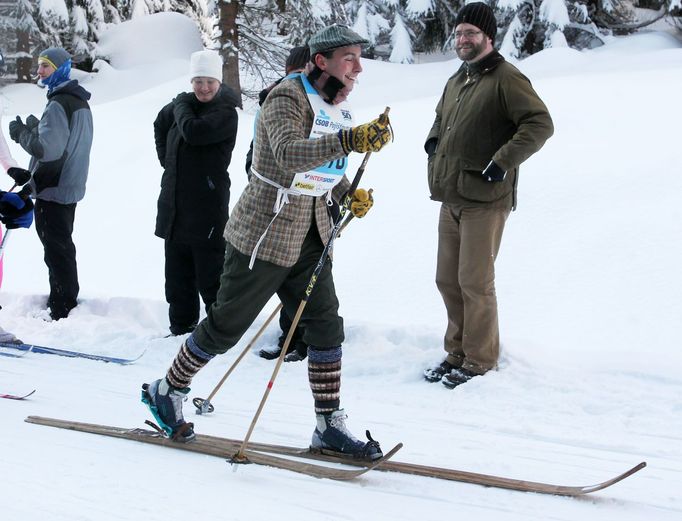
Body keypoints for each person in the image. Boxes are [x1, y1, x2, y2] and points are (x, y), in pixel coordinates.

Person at [142, 25, 392, 460]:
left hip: (312, 230)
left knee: (326, 324)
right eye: (349, 57)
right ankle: (167, 389)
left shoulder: (334, 104)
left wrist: (347, 194)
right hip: (266, 231)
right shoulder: (286, 97)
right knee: (225, 327)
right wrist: (352, 139)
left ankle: (328, 423)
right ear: (321, 61)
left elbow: (323, 167)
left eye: (359, 58)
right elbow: (289, 154)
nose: (358, 67)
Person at [422, 2, 554, 389]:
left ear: (488, 37)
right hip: (451, 194)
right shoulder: (458, 79)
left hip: (485, 199)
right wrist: (433, 140)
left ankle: (480, 360)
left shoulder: (506, 78)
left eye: (471, 34)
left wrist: (503, 161)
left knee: (475, 282)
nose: (463, 39)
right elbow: (440, 117)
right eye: (459, 33)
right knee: (447, 279)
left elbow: (539, 123)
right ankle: (456, 352)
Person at [154, 49, 239, 336]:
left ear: (219, 82)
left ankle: (218, 333)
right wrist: (169, 160)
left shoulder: (225, 112)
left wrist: (180, 104)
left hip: (207, 209)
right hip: (175, 205)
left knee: (210, 277)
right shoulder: (184, 106)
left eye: (209, 82)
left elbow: (193, 131)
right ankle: (181, 327)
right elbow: (160, 122)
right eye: (198, 81)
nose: (203, 88)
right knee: (177, 277)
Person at [8, 47, 93, 320]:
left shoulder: (59, 102)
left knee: (56, 249)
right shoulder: (78, 100)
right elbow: (64, 144)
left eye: (45, 66)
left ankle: (61, 308)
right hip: (68, 185)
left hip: (54, 188)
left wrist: (22, 133)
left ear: (60, 69)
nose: (39, 72)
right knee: (62, 246)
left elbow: (48, 151)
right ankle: (65, 302)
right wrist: (36, 128)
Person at [248, 45, 313, 363]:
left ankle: (306, 338)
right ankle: (289, 335)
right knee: (284, 273)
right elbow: (256, 150)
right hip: (276, 204)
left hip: (311, 203)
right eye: (294, 73)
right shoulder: (273, 103)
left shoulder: (321, 107)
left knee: (308, 275)